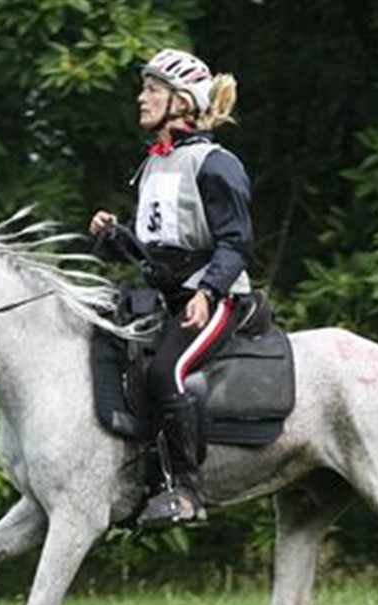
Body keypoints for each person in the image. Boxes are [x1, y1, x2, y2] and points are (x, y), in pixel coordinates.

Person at [89, 48, 253, 528]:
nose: (141, 99)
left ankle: (186, 491)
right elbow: (152, 252)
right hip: (170, 299)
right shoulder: (153, 165)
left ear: (181, 101)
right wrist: (114, 236)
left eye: (152, 90)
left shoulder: (216, 164)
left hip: (218, 298)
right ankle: (142, 477)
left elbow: (237, 243)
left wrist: (208, 292)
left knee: (166, 372)